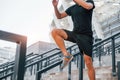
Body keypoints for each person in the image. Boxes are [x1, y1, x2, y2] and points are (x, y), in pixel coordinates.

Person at [51, 0, 96, 80]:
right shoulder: (72, 8)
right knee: (55, 32)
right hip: (75, 34)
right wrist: (55, 6)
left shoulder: (89, 2)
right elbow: (59, 16)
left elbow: (88, 6)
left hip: (86, 36)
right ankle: (67, 55)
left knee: (88, 62)